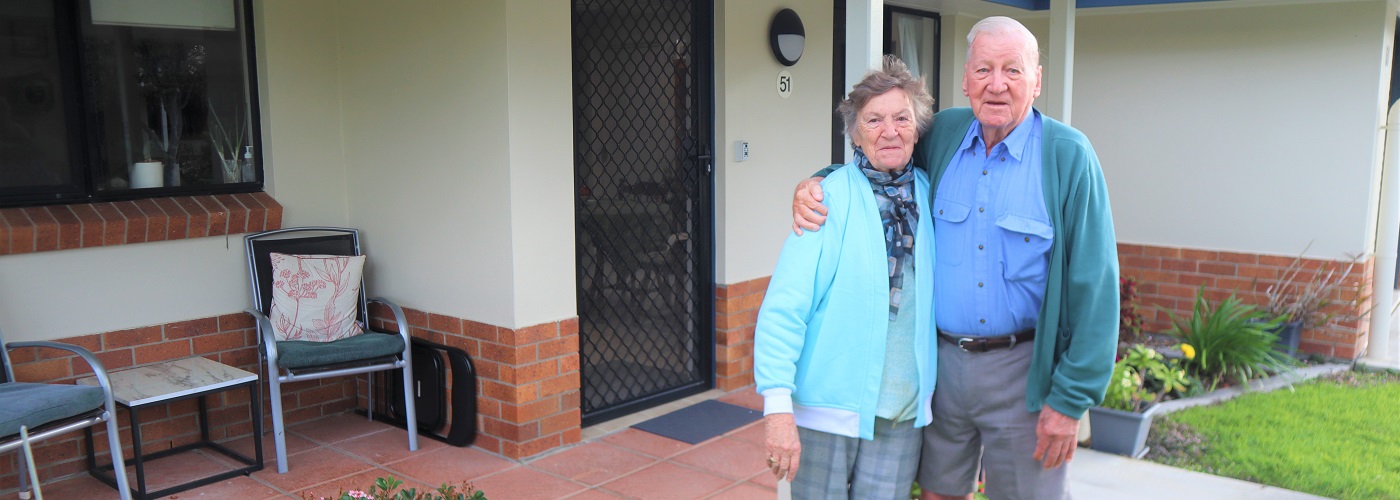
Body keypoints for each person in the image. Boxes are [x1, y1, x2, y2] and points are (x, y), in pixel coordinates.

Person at [792, 16, 1119, 500]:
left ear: (1037, 80)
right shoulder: (943, 133)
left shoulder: (1068, 155)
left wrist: (1071, 400)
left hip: (1023, 372)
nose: (996, 84)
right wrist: (819, 182)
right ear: (965, 79)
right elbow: (883, 156)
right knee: (939, 493)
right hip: (942, 370)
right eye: (983, 69)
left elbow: (1096, 286)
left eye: (1012, 70)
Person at [755, 55, 937, 499]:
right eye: (874, 120)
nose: (890, 130)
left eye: (902, 118)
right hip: (826, 411)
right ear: (855, 133)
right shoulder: (826, 200)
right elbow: (784, 308)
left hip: (901, 411)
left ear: (917, 128)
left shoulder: (934, 197)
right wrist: (777, 407)